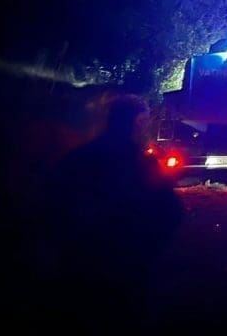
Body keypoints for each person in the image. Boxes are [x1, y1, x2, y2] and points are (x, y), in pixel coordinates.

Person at [42, 94, 184, 326]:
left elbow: (51, 205)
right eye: (145, 121)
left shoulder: (78, 158)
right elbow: (170, 212)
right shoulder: (140, 163)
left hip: (78, 266)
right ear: (138, 122)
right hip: (125, 268)